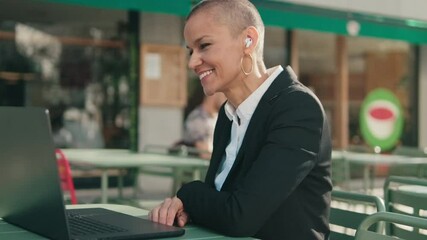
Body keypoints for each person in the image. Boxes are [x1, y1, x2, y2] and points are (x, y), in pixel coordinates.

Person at [149, 0, 332, 239]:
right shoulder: (228, 115)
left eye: (204, 45)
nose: (192, 62)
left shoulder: (297, 108)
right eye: (191, 51)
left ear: (249, 40)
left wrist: (188, 194)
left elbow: (239, 217)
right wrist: (188, 210)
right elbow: (222, 202)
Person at [179, 92, 226, 159]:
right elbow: (205, 155)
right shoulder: (198, 118)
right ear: (214, 93)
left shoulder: (219, 118)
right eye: (225, 94)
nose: (228, 98)